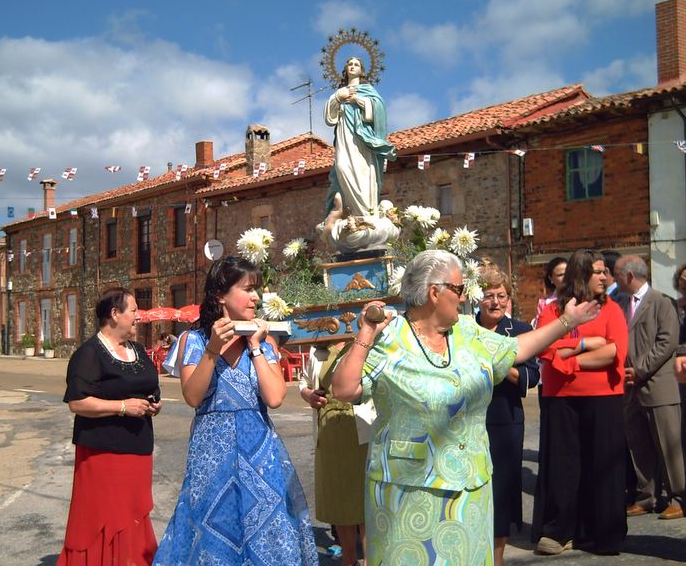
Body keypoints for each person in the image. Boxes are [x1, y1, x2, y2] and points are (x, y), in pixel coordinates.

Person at [331, 249, 599, 565]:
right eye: (458, 289)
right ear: (434, 293)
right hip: (406, 490)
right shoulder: (390, 337)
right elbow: (344, 389)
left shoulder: (467, 332)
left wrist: (568, 321)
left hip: (469, 488)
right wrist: (366, 332)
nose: (463, 297)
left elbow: (516, 349)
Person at [153, 256, 318, 565]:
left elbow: (275, 398)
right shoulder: (194, 340)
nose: (256, 298)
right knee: (212, 529)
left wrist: (255, 346)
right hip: (211, 454)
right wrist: (213, 348)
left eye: (257, 290)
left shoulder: (265, 342)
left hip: (260, 452)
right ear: (220, 295)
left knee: (268, 529)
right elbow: (193, 396)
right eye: (247, 289)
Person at [531, 249, 628, 556]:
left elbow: (614, 352)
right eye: (598, 271)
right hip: (561, 397)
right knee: (563, 466)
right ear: (581, 274)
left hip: (604, 396)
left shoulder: (612, 309)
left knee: (603, 465)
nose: (605, 277)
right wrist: (585, 343)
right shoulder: (554, 310)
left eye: (605, 272)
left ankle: (602, 533)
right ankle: (560, 531)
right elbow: (546, 348)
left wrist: (569, 358)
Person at [58, 287, 163, 566]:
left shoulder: (137, 350)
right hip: (103, 452)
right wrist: (123, 407)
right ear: (115, 314)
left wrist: (153, 403)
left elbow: (149, 387)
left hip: (139, 448)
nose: (139, 316)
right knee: (105, 515)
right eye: (134, 311)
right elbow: (77, 402)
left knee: (133, 513)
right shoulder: (89, 353)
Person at [475, 265, 540, 566]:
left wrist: (499, 364)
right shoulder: (463, 328)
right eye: (489, 295)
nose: (496, 302)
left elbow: (532, 376)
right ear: (477, 299)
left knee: (500, 490)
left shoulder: (521, 331)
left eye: (502, 296)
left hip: (505, 420)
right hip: (468, 419)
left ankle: (497, 557)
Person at [616, 255, 683, 519]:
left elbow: (667, 342)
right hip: (630, 388)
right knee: (639, 445)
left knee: (668, 446)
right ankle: (646, 496)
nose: (613, 279)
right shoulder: (621, 303)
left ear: (629, 276)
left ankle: (679, 497)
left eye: (617, 274)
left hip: (658, 386)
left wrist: (640, 369)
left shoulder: (662, 302)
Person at [299, 344, 368, 566]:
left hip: (365, 424)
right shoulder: (319, 347)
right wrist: (308, 394)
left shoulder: (371, 341)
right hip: (330, 431)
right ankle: (349, 558)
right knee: (339, 497)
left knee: (366, 496)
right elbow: (304, 382)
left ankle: (371, 559)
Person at [323, 56, 396, 220]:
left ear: (361, 70)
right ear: (345, 69)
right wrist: (338, 97)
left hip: (363, 139)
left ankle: (365, 212)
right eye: (350, 64)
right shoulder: (340, 92)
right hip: (344, 135)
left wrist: (358, 99)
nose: (352, 66)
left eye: (356, 64)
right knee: (342, 167)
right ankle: (350, 210)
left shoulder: (368, 90)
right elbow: (329, 117)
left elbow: (379, 108)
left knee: (363, 170)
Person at [532, 257, 567, 328]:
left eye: (568, 273)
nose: (566, 277)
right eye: (560, 275)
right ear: (551, 278)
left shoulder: (582, 297)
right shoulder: (544, 303)